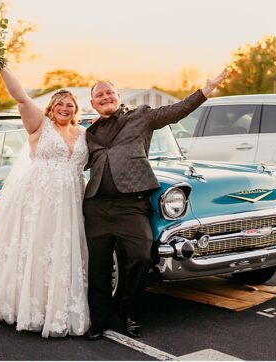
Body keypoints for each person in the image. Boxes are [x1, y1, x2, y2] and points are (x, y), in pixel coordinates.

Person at [83, 69, 228, 341]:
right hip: (97, 206)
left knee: (140, 258)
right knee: (98, 267)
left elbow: (178, 110)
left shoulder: (141, 117)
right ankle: (99, 319)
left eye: (108, 92)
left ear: (118, 96)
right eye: (98, 94)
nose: (104, 97)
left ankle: (130, 315)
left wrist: (206, 90)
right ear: (93, 103)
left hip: (132, 205)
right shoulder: (89, 132)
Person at [0, 54, 90, 338]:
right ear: (51, 108)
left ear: (75, 110)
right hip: (40, 203)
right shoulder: (39, 125)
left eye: (71, 105)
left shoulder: (84, 134)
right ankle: (31, 309)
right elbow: (19, 96)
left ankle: (62, 309)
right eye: (60, 104)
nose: (65, 107)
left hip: (72, 203)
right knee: (39, 251)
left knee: (64, 254)